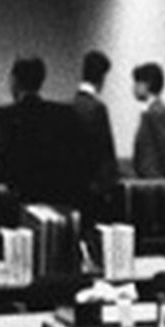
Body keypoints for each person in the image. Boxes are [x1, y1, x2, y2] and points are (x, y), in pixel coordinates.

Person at [0, 55, 89, 211]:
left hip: (21, 201)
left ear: (14, 81)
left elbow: (0, 163)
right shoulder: (64, 114)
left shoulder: (4, 117)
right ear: (41, 81)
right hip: (59, 200)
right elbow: (76, 158)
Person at [74, 49, 119, 216]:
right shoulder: (98, 109)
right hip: (95, 190)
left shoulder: (71, 106)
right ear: (102, 78)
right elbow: (106, 152)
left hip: (75, 186)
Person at [130, 61, 165, 180]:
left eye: (137, 82)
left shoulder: (156, 112)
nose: (133, 87)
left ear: (148, 84)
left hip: (154, 180)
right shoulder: (152, 111)